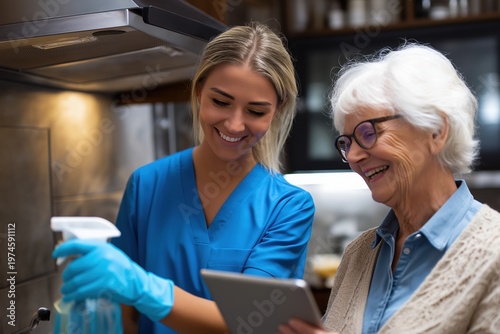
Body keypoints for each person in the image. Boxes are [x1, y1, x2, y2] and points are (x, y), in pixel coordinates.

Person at [52, 22, 315, 334]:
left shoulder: (289, 207)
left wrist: (143, 287)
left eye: (256, 111)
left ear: (278, 110)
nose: (234, 125)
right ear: (199, 90)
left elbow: (251, 321)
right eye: (221, 102)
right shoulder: (146, 186)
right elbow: (126, 315)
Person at [278, 43, 500, 334]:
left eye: (368, 133)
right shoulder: (358, 254)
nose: (354, 156)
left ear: (436, 131)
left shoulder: (493, 253)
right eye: (347, 143)